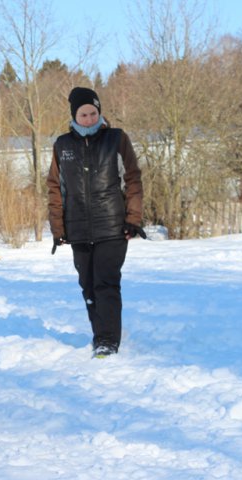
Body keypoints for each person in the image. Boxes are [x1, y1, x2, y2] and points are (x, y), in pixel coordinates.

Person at [46, 87, 145, 359]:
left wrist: (133, 218)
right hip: (78, 228)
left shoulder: (116, 139)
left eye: (93, 113)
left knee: (105, 283)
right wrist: (58, 228)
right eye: (83, 114)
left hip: (113, 226)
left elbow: (133, 179)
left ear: (99, 113)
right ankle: (99, 333)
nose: (89, 118)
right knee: (88, 286)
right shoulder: (62, 145)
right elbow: (56, 187)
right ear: (74, 116)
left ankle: (107, 340)